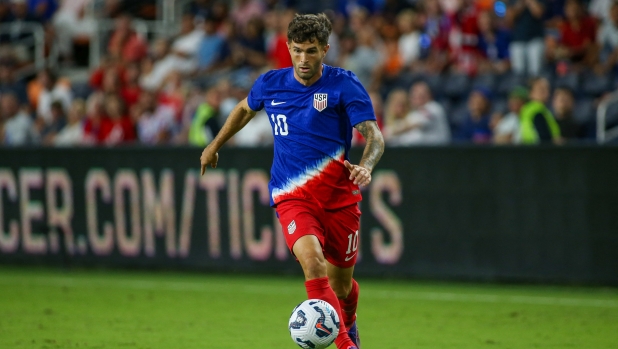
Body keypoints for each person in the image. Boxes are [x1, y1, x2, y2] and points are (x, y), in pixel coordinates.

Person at [199, 13, 384, 349]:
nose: (303, 59)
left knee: (341, 286)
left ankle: (349, 320)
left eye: (311, 51)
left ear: (325, 49)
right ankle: (345, 344)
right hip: (292, 197)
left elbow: (374, 135)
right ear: (287, 47)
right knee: (313, 264)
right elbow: (243, 109)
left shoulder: (344, 84)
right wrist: (214, 145)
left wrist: (367, 165)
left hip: (339, 199)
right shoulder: (270, 83)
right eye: (297, 50)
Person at [519, 77, 561, 144]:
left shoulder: (529, 109)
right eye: (541, 90)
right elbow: (544, 137)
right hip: (539, 152)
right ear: (531, 93)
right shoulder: (536, 111)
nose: (546, 93)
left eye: (547, 89)